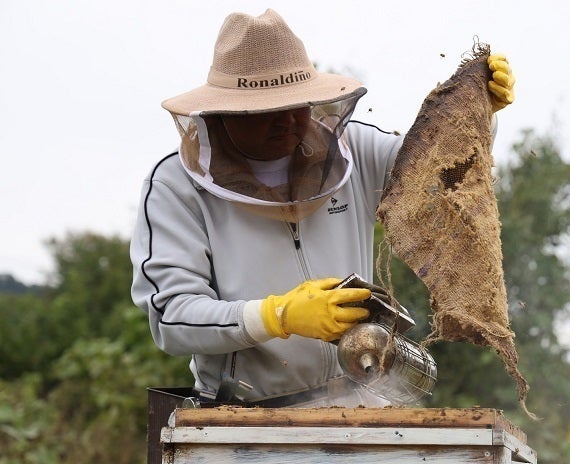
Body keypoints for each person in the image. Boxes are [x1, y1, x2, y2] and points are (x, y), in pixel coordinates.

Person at [130, 9, 515, 408]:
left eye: (298, 104)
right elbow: (172, 318)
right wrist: (277, 315)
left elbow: (436, 166)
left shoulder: (356, 151)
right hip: (243, 415)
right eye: (268, 109)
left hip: (361, 400)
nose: (290, 120)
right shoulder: (175, 186)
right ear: (224, 111)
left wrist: (478, 112)